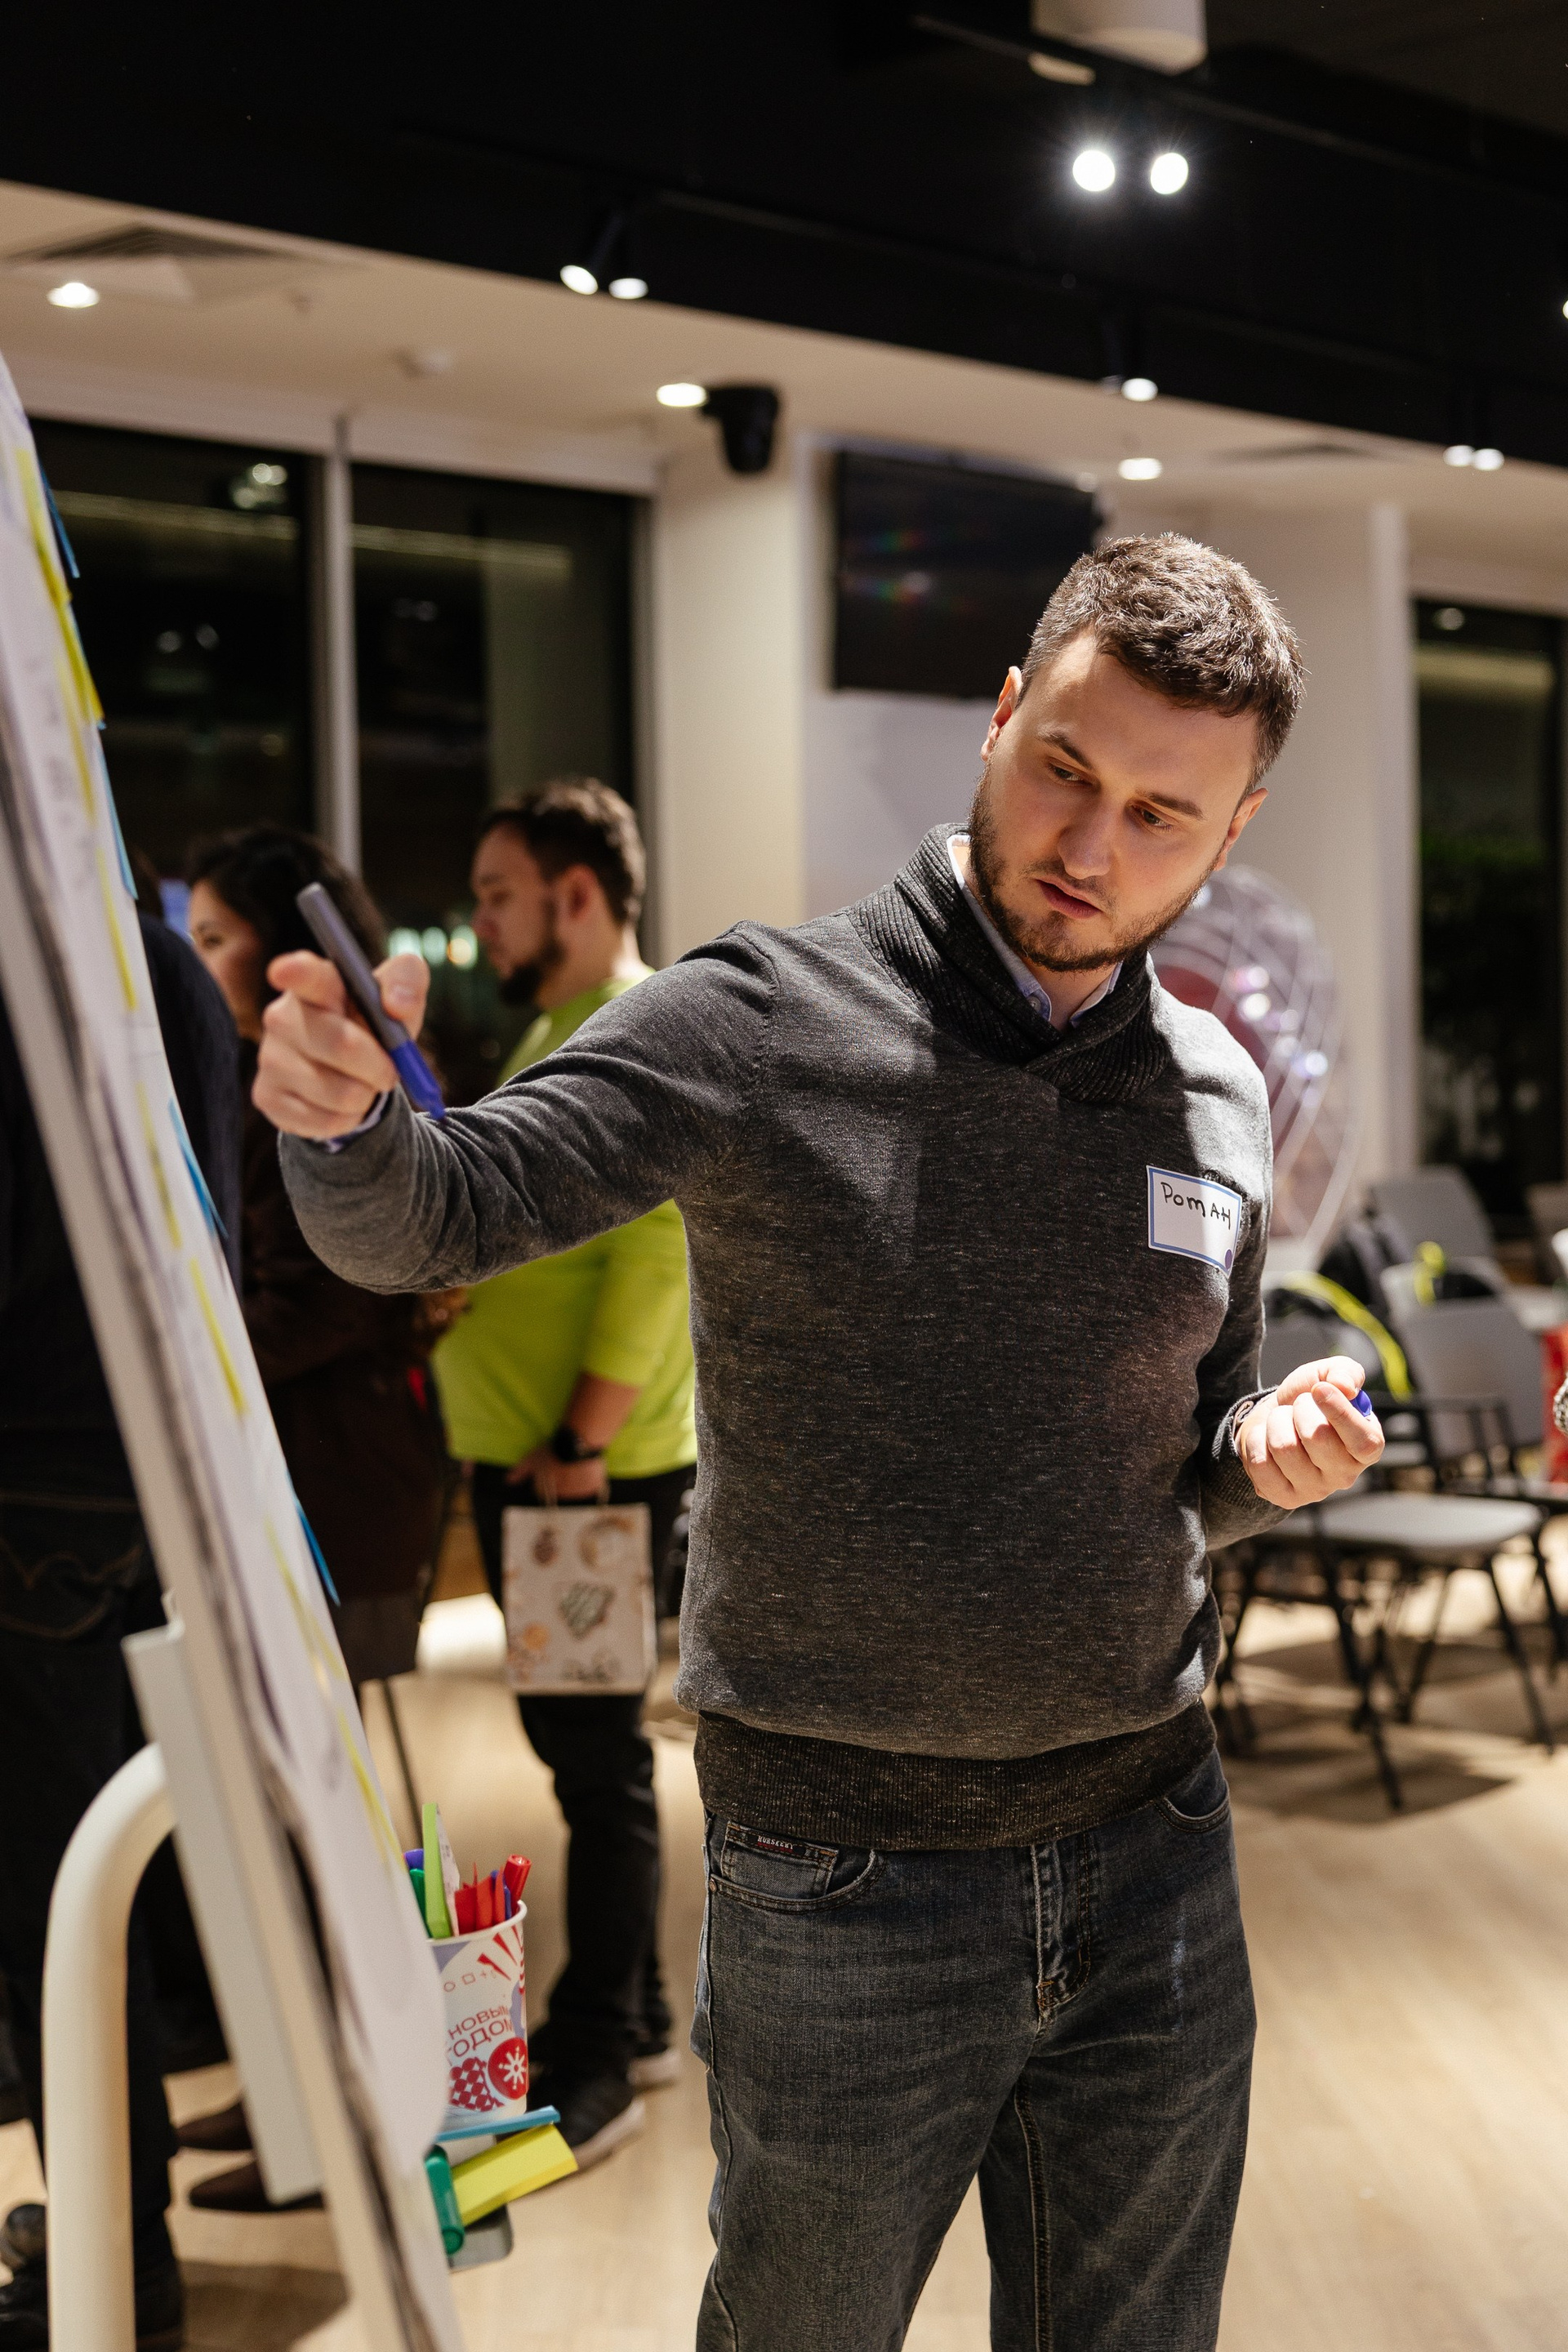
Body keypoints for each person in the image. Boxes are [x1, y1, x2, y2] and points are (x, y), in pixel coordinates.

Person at [252, 536, 1385, 2352]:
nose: (1091, 847)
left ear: (1232, 833)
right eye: (1066, 770)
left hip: (1156, 1850)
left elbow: (1198, 1459)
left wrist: (1272, 1457)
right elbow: (434, 1213)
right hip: (842, 1885)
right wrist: (344, 1128)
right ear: (1002, 717)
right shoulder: (760, 1020)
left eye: (1163, 816)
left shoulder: (1217, 1091)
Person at [182, 826, 452, 2212]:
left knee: (323, 1808)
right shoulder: (253, 1081)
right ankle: (295, 2090)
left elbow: (321, 1300)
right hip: (316, 1476)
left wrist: (185, 1341)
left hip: (340, 1488)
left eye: (215, 940)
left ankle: (342, 2119)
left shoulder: (335, 1091)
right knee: (292, 1809)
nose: (194, 965)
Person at [433, 780, 697, 2167]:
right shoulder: (564, 1029)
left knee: (597, 1769)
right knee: (580, 1755)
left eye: (499, 894)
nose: (481, 922)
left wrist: (585, 1441)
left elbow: (659, 1244)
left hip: (583, 1481)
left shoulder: (628, 1028)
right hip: (553, 1475)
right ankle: (631, 2016)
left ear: (576, 894)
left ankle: (600, 2049)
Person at [0, 899, 241, 2352]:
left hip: (32, 1491)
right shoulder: (157, 961)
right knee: (93, 1892)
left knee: (52, 1903)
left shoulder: (43, 952)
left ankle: (117, 2260)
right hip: (142, 1475)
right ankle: (108, 2229)